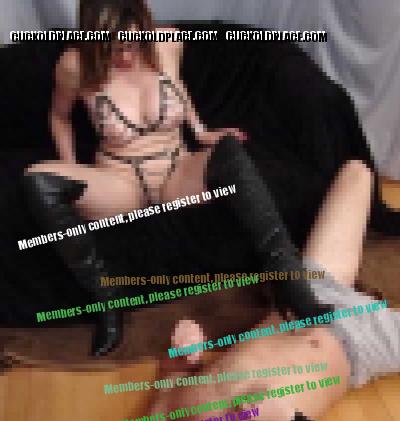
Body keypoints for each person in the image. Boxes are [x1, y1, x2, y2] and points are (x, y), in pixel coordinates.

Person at [81, 158, 400, 421]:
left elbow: (173, 370)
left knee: (357, 171)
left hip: (307, 297)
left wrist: (184, 350)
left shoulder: (161, 417)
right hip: (365, 344)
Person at [19, 2, 337, 359]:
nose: (125, 55)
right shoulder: (75, 64)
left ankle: (289, 281)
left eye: (133, 43)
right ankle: (107, 300)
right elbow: (59, 117)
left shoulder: (168, 43)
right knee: (38, 180)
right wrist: (73, 167)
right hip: (119, 180)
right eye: (112, 47)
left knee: (230, 151)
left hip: (175, 170)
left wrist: (201, 132)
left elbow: (179, 87)